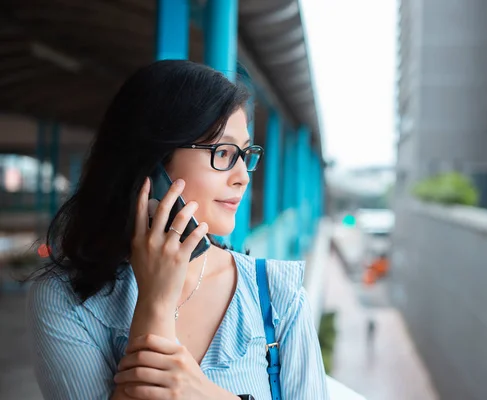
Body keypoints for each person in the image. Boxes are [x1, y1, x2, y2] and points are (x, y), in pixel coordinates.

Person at [26, 60, 329, 400]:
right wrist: (155, 303)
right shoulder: (65, 299)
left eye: (245, 154)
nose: (243, 175)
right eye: (223, 152)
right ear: (153, 164)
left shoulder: (277, 296)